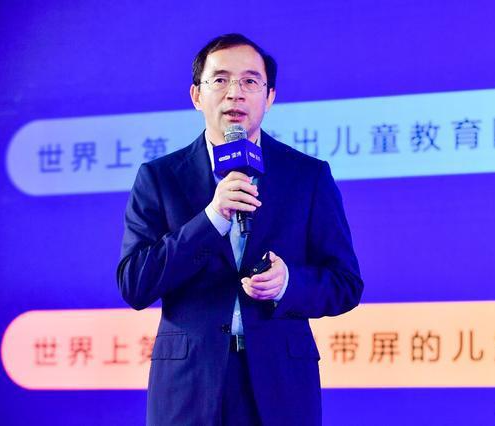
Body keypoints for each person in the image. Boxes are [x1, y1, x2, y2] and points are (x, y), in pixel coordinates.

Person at [117, 33, 363, 426]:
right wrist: (211, 218)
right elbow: (135, 283)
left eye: (250, 81)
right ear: (196, 95)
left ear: (269, 97)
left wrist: (289, 284)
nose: (235, 93)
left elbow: (345, 284)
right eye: (220, 80)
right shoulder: (159, 178)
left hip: (281, 385)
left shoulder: (307, 176)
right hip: (188, 386)